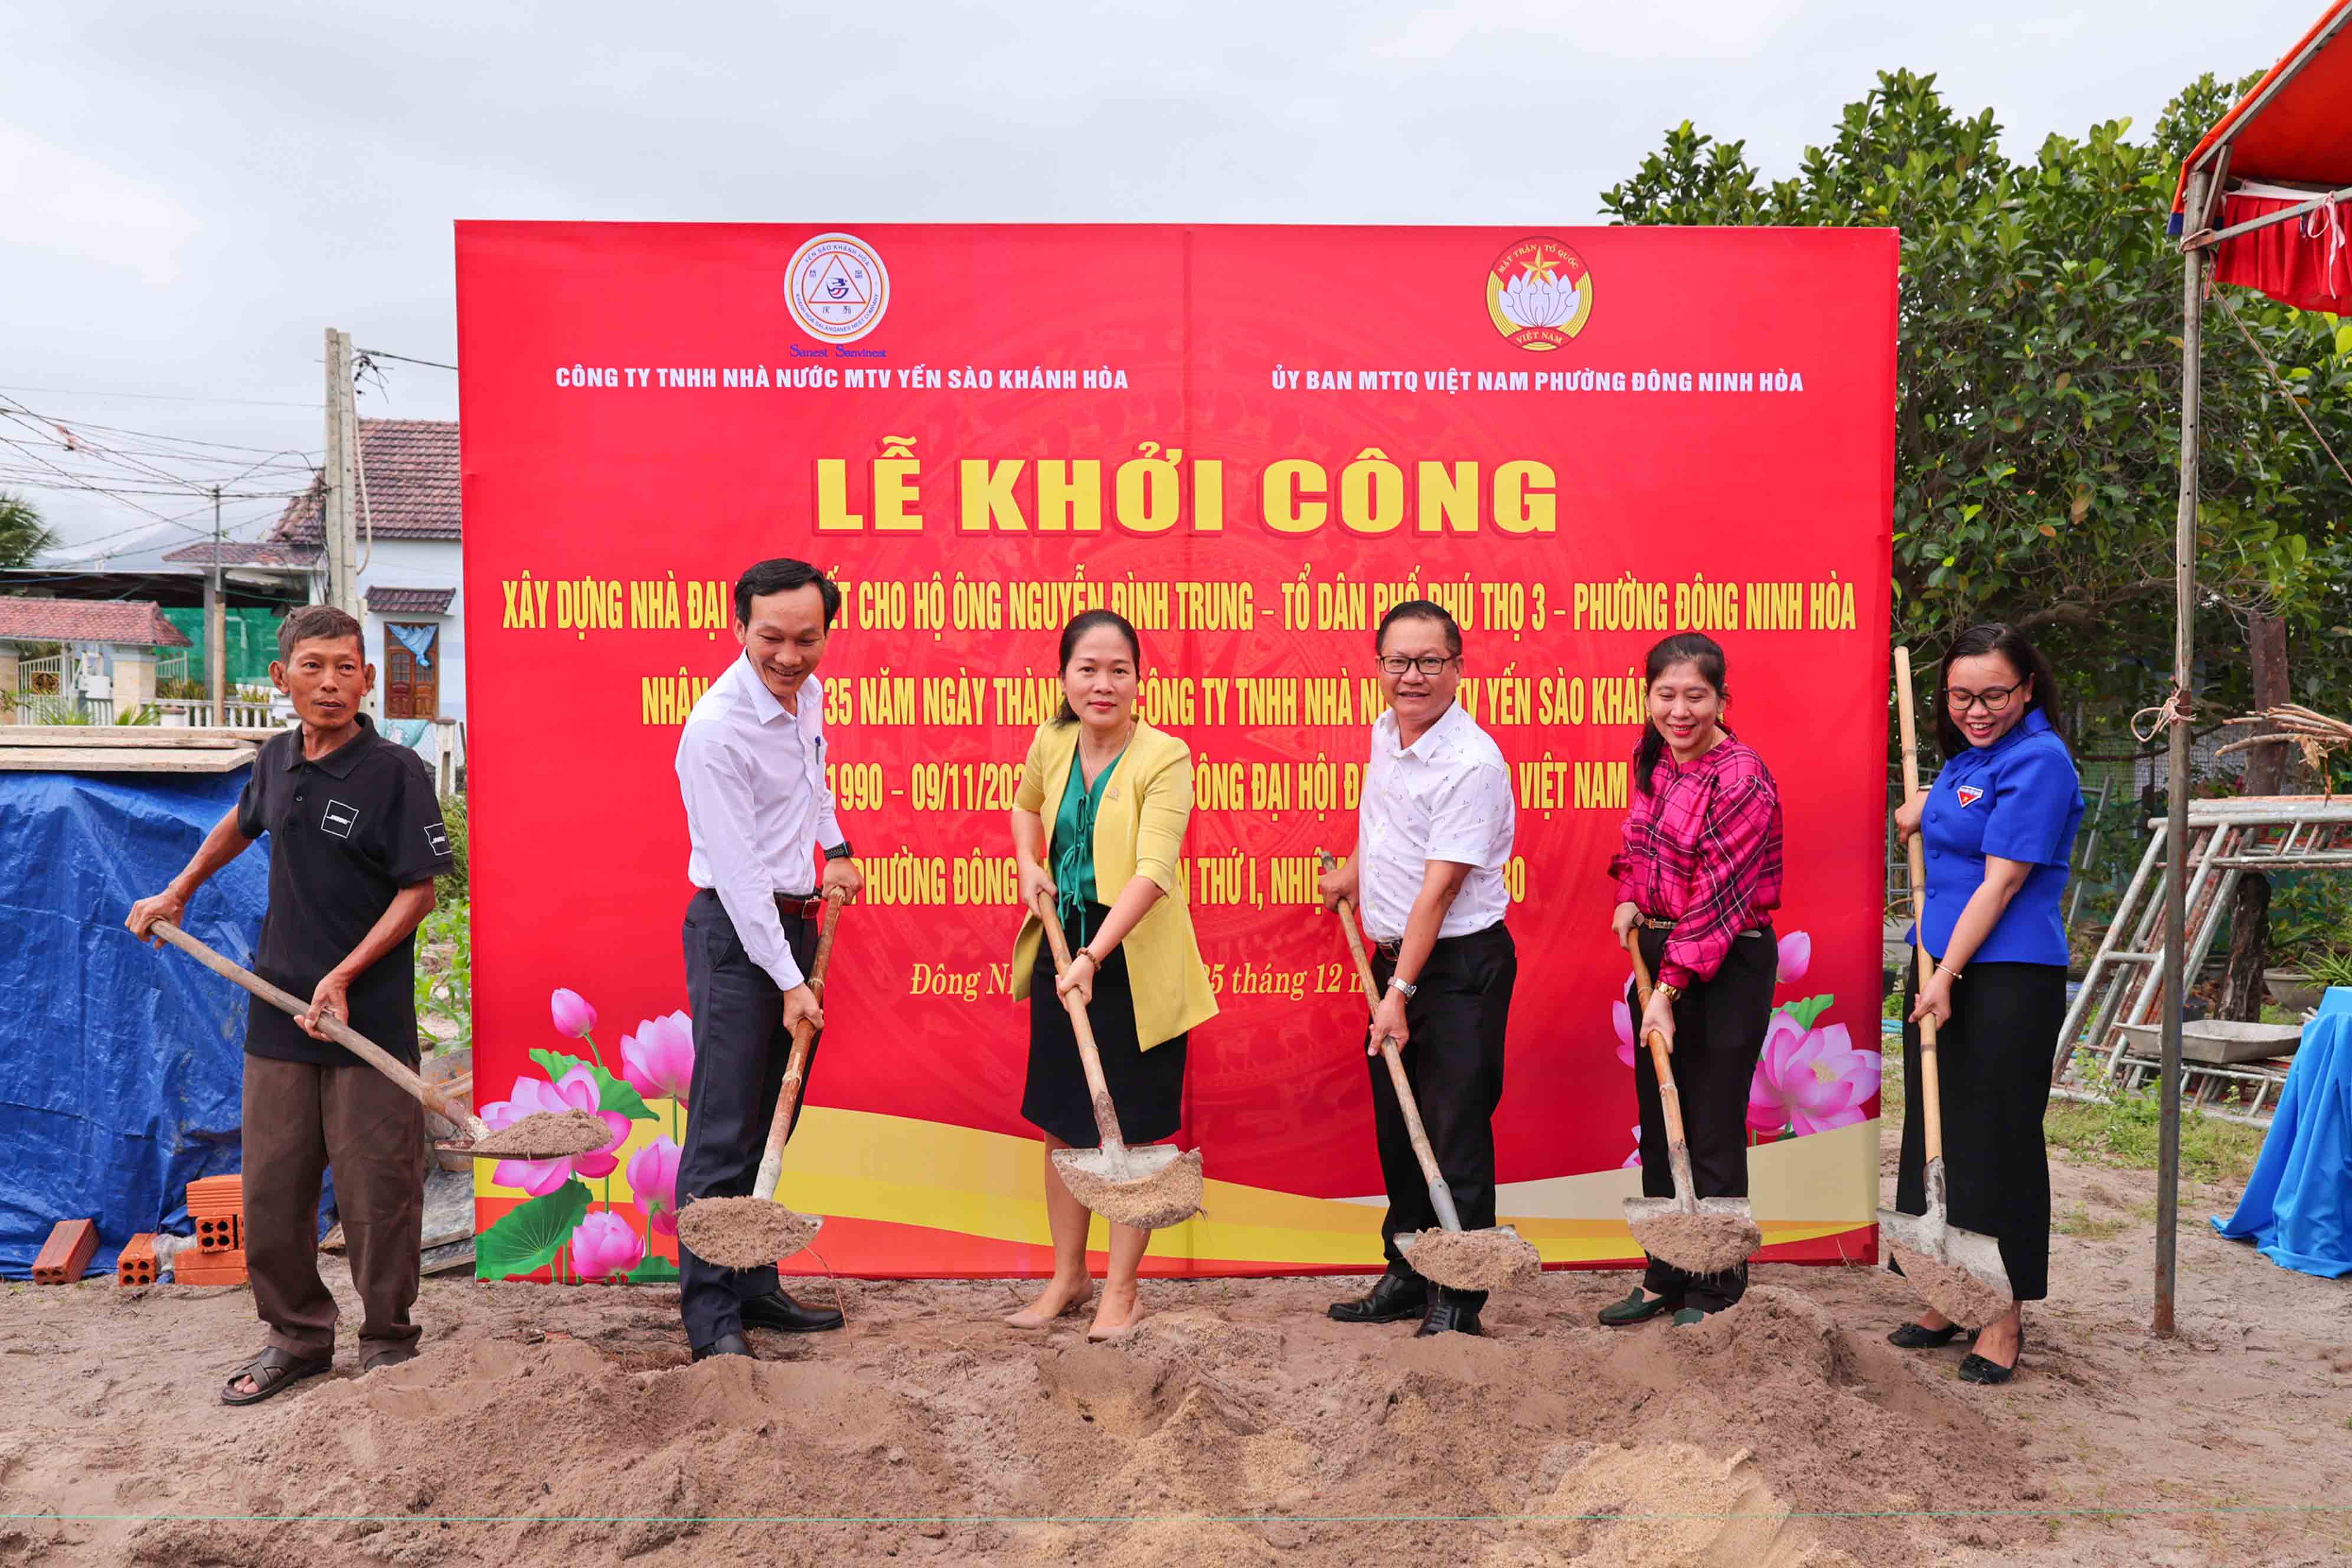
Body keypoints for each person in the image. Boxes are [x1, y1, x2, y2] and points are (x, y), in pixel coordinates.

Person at [127, 605, 455, 1404]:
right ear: (282, 678)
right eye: (313, 667)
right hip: (279, 1012)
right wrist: (178, 890)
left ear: (368, 679)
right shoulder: (277, 759)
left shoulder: (395, 773)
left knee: (379, 1194)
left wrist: (344, 975)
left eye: (345, 668)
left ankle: (388, 1341)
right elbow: (242, 823)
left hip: (366, 1021)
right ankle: (298, 1337)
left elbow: (418, 894)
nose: (330, 683)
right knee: (272, 1191)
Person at [1005, 609, 1217, 1341]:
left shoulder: (1165, 755)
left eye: (1118, 670)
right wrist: (1029, 863)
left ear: (1138, 679)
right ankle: (1069, 1277)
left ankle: (1123, 1291)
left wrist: (1096, 956)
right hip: (1062, 942)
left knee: (1135, 1129)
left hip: (1132, 960)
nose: (1102, 684)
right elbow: (1025, 807)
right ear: (1064, 677)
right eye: (1087, 669)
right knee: (1065, 1119)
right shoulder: (1052, 740)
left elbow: (1154, 871)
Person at [672, 558, 864, 1361]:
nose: (790, 656)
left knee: (766, 1120)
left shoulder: (804, 695)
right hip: (736, 933)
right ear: (740, 627)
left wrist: (837, 847)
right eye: (772, 638)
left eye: (807, 639)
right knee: (722, 1128)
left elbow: (811, 782)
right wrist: (788, 980)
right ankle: (711, 1315)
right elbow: (741, 872)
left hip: (795, 921)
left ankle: (754, 1285)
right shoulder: (716, 731)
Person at [1319, 599, 1518, 1338]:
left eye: (1430, 661)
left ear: (1458, 669)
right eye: (1398, 661)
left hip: (1457, 969)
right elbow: (1386, 820)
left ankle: (1459, 1297)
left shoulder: (1472, 763)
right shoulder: (1388, 731)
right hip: (1395, 962)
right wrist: (1355, 870)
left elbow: (1440, 890)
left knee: (1451, 1129)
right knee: (1400, 1128)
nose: (1413, 676)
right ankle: (1408, 1272)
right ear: (1379, 667)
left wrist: (1398, 992)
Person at [1890, 622, 2083, 1384]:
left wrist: (1947, 975)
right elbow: (1961, 811)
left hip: (2005, 974)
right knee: (1939, 1128)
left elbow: (2000, 883)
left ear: (2027, 689)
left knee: (1998, 1137)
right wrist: (1924, 805)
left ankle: (2002, 1316)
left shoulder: (2042, 760)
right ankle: (1949, 1293)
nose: (1977, 710)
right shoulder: (1968, 758)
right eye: (1961, 696)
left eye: (1994, 695)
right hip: (1939, 964)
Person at [1600, 632, 1783, 1328]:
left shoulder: (1742, 778)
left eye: (1696, 697)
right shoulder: (1654, 756)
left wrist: (1667, 993)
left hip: (1724, 960)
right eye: (1666, 695)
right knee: (1660, 1123)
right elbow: (1640, 839)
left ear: (1721, 699)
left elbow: (1717, 898)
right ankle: (1665, 1272)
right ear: (1648, 697)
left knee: (1709, 1125)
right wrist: (1629, 891)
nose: (1680, 711)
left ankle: (1716, 1286)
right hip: (1659, 951)